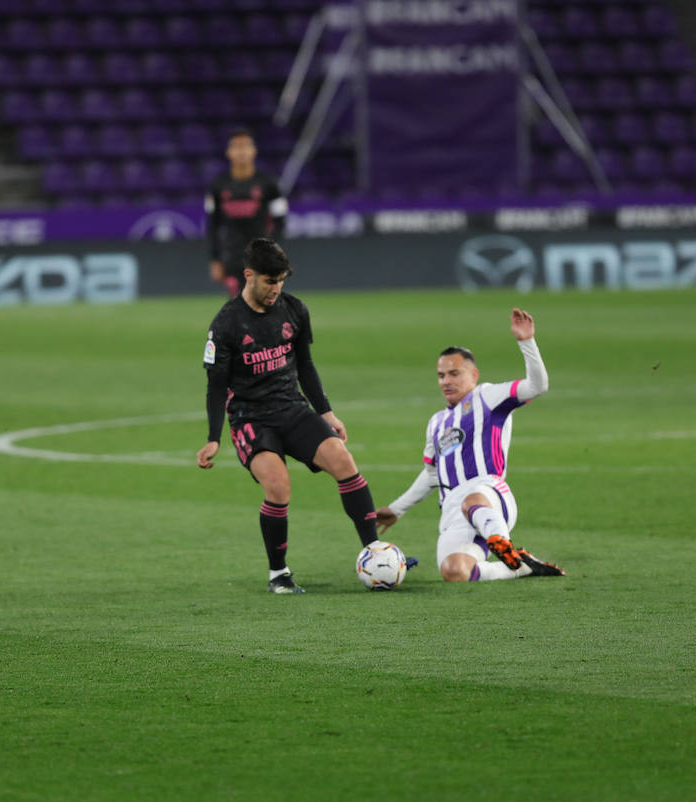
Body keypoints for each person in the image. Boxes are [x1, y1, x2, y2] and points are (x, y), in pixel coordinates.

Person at [197, 238, 386, 594]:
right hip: (251, 418)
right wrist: (212, 437)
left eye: (281, 280)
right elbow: (216, 387)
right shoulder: (225, 324)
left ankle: (374, 552)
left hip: (292, 408)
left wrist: (326, 412)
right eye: (270, 281)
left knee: (343, 460)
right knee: (278, 485)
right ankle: (278, 574)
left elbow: (306, 366)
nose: (276, 289)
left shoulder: (294, 310)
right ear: (248, 275)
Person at [375, 309, 565, 583]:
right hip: (452, 509)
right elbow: (431, 475)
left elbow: (538, 385)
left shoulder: (488, 396)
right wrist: (396, 510)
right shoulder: (436, 422)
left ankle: (503, 544)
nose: (446, 381)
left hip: (488, 492)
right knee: (454, 571)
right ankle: (521, 566)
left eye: (454, 373)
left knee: (472, 499)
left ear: (473, 374)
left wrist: (526, 342)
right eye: (441, 376)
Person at [204, 128, 288, 299]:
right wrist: (215, 259)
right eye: (236, 146)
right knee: (239, 305)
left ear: (254, 151)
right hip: (231, 257)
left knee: (262, 305)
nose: (241, 151)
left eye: (245, 146)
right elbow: (212, 224)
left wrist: (273, 253)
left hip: (260, 257)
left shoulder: (269, 184)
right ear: (229, 152)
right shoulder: (218, 185)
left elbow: (280, 221)